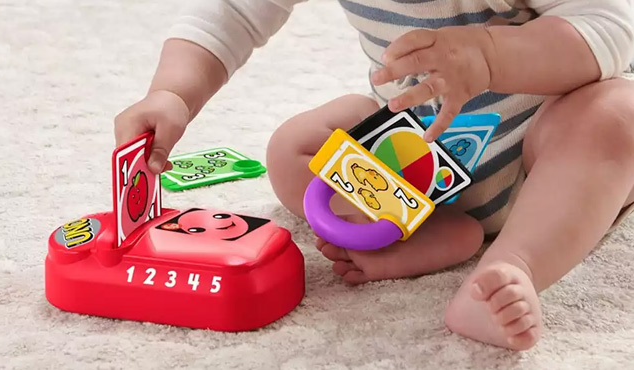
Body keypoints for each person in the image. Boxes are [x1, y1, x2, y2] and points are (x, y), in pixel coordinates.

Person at [114, 0, 634, 350]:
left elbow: (611, 24)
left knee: (617, 115)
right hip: (410, 157)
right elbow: (231, 12)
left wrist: (494, 56)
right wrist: (174, 92)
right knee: (293, 148)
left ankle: (513, 264)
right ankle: (429, 232)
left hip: (541, 149)